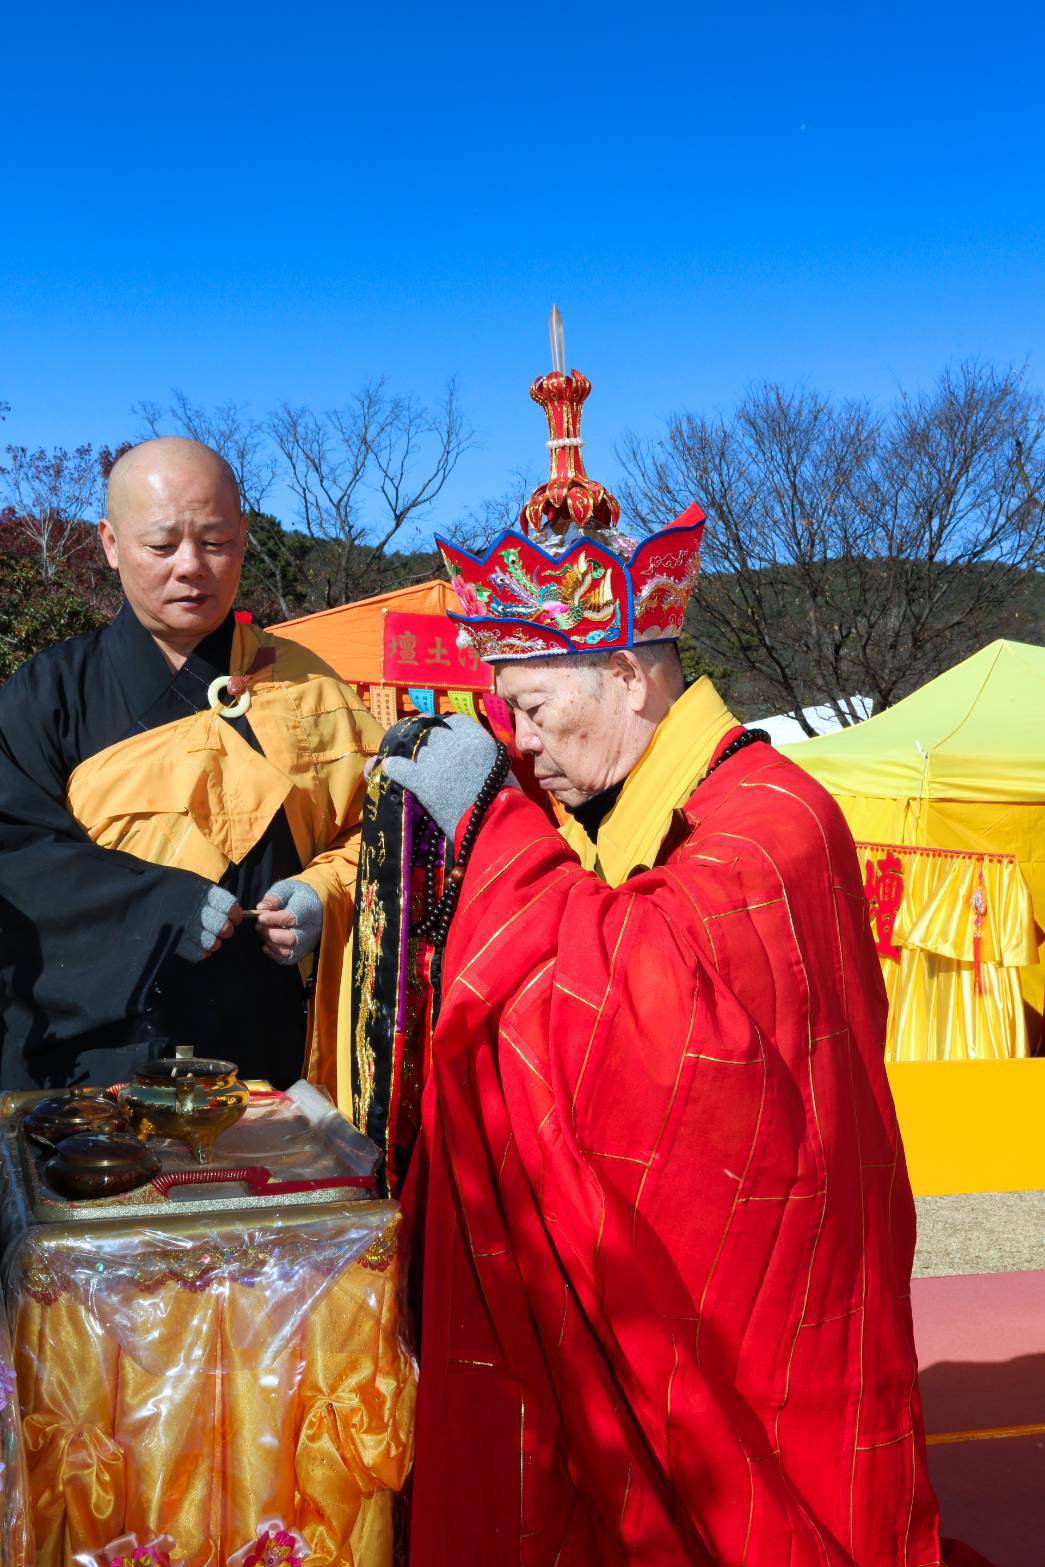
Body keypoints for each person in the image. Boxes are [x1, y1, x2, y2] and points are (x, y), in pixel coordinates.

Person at [380, 354, 992, 1564]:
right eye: (504, 716)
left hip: (768, 1300)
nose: (518, 743)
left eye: (533, 709)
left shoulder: (772, 820)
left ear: (625, 676)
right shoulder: (611, 812)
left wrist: (490, 828)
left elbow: (650, 1021)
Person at [0, 436, 381, 1091]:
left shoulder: (306, 687)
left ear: (242, 539)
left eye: (215, 541)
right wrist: (156, 907)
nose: (191, 567)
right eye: (161, 545)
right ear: (111, 543)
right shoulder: (47, 695)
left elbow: (379, 828)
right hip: (90, 1067)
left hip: (263, 1060)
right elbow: (15, 853)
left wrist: (325, 894)